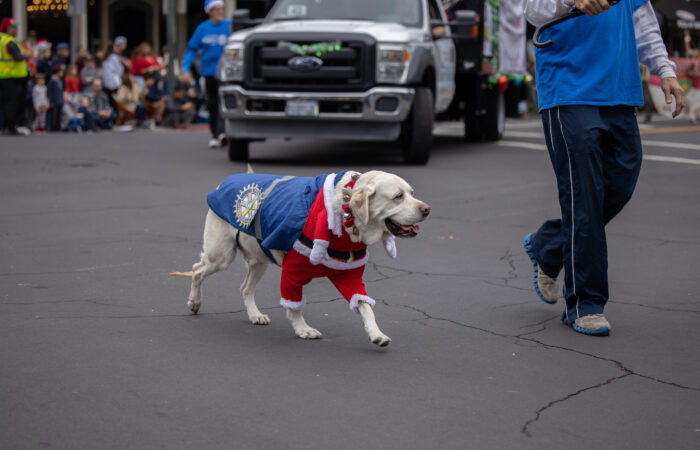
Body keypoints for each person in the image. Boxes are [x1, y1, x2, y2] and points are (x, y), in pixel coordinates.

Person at [522, 0, 685, 336]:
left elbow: (643, 23)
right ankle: (585, 304)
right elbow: (532, 10)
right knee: (584, 196)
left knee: (622, 180)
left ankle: (550, 244)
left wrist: (665, 70)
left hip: (620, 91)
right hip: (569, 89)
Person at [182, 0, 231, 148]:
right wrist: (185, 69)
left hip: (226, 72)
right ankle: (215, 134)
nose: (220, 12)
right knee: (212, 103)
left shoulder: (229, 26)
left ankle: (224, 132)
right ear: (210, 11)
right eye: (216, 9)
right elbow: (191, 49)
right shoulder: (203, 29)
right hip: (209, 72)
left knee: (225, 103)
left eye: (221, 9)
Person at [0, 17, 30, 136]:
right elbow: (17, 57)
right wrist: (27, 55)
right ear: (8, 28)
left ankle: (6, 126)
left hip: (4, 76)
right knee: (13, 103)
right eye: (14, 27)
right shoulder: (10, 41)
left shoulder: (2, 40)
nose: (16, 29)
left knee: (5, 103)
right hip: (13, 76)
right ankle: (11, 126)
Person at [47, 65, 65, 131]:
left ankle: (58, 127)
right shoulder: (52, 80)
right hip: (55, 100)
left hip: (60, 99)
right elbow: (49, 91)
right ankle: (53, 127)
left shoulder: (59, 80)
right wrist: (51, 101)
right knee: (54, 115)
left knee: (59, 115)